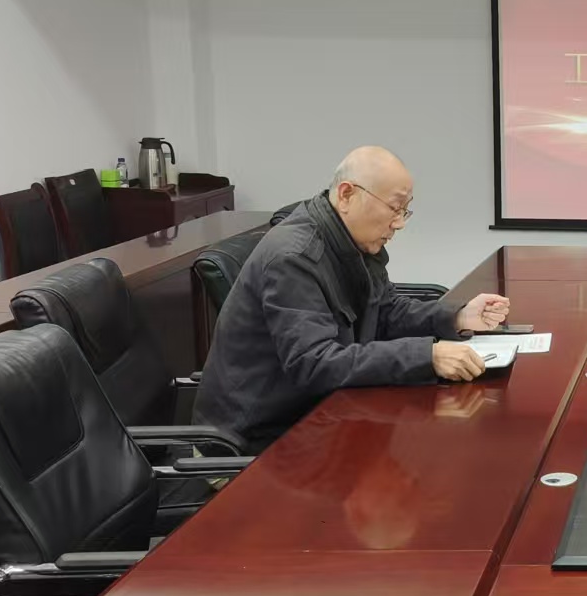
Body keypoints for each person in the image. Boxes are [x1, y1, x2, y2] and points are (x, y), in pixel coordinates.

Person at [194, 146, 511, 451]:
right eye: (394, 208)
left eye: (405, 210)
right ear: (347, 194)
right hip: (258, 442)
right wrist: (427, 356)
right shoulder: (293, 257)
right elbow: (314, 363)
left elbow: (386, 311)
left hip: (317, 417)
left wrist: (457, 316)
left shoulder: (352, 240)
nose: (400, 223)